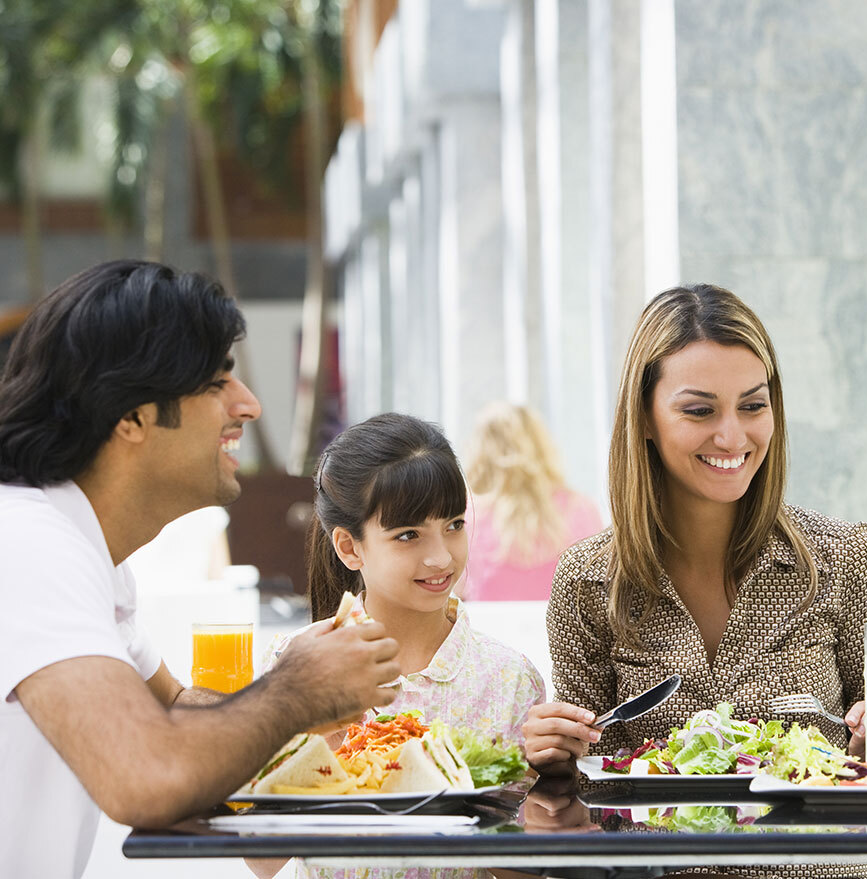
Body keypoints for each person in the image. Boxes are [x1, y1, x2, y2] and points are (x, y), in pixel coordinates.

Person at [0, 261, 402, 878]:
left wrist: (320, 712)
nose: (249, 405)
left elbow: (177, 712)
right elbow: (146, 773)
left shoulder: (81, 551)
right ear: (130, 415)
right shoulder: (29, 543)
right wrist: (296, 690)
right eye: (217, 382)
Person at [523, 283, 867, 769]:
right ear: (645, 418)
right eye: (700, 411)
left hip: (810, 846)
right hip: (652, 847)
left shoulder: (846, 558)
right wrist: (551, 754)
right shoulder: (588, 580)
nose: (731, 436)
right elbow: (586, 778)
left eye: (753, 405)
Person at [261, 412, 545, 879]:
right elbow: (263, 861)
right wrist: (318, 736)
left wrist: (541, 783)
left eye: (454, 525)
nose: (441, 556)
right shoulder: (295, 663)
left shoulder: (508, 679)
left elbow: (525, 873)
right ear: (350, 548)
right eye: (408, 535)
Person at [460, 401, 603, 601]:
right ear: (541, 445)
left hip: (485, 629)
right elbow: (597, 594)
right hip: (560, 631)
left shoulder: (465, 516)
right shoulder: (581, 509)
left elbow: (454, 596)